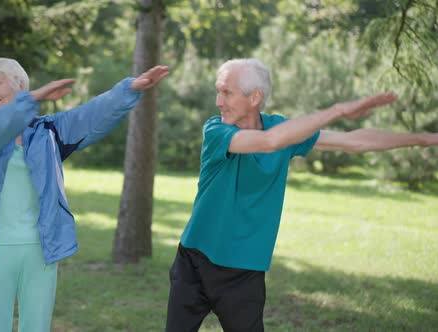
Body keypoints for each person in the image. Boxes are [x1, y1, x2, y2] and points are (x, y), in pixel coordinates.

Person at [165, 58, 438, 332]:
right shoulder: (216, 131)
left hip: (244, 272)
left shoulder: (281, 129)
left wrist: (422, 139)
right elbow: (269, 142)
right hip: (194, 263)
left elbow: (353, 141)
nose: (218, 101)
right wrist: (339, 110)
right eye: (218, 91)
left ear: (255, 97)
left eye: (226, 92)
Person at [0, 57, 169, 332]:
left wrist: (129, 89)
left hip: (41, 250)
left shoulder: (50, 131)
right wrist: (32, 99)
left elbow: (91, 114)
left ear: (21, 86)